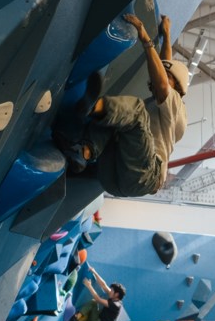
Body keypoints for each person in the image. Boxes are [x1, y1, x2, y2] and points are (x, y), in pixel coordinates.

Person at [56, 14, 188, 197]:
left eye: (168, 76)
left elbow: (164, 82)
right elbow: (167, 68)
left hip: (146, 175)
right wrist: (166, 34)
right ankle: (83, 152)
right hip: (115, 177)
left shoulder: (177, 106)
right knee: (118, 120)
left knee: (136, 111)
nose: (160, 76)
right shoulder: (167, 108)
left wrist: (145, 37)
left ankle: (94, 107)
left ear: (178, 88)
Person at [58, 267, 124, 321]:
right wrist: (94, 272)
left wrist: (89, 286)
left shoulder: (116, 305)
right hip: (97, 318)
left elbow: (98, 299)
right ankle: (77, 317)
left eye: (112, 290)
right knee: (93, 303)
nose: (110, 291)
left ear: (116, 294)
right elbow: (103, 285)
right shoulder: (113, 297)